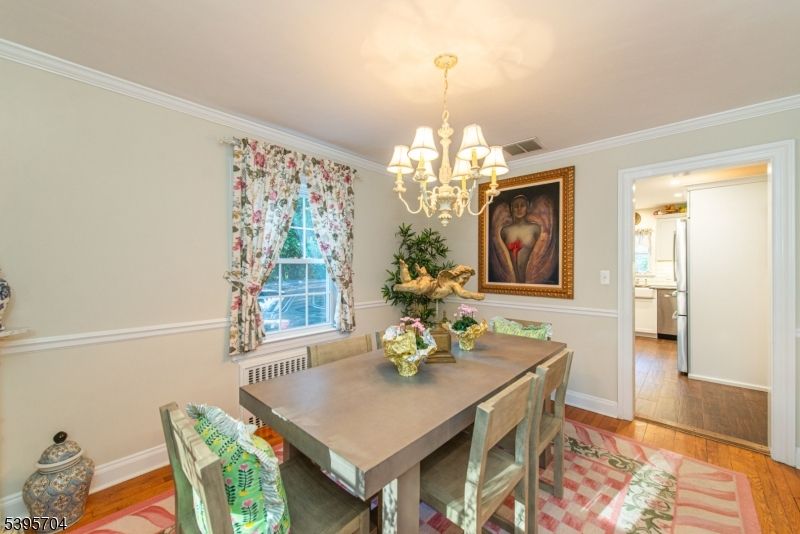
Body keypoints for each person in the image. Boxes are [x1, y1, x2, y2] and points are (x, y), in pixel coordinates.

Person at [500, 195, 542, 283]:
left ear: (527, 208)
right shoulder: (505, 231)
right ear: (511, 209)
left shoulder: (535, 228)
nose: (519, 209)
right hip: (510, 282)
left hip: (531, 280)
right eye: (516, 206)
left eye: (522, 205)